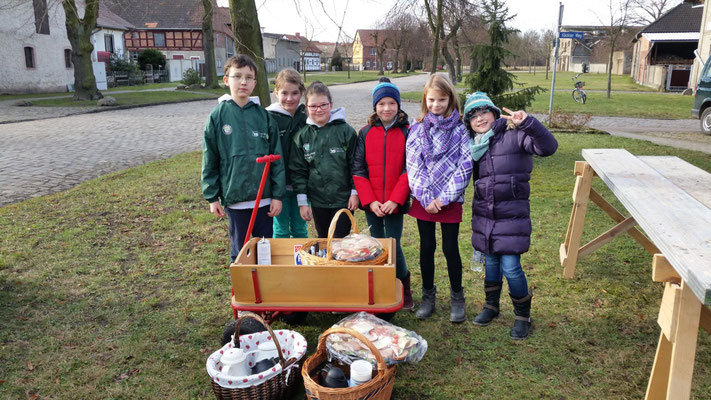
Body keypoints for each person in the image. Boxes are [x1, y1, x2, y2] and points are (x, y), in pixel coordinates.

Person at [463, 92, 558, 340]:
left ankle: (522, 316)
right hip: (485, 215)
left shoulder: (515, 134)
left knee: (511, 268)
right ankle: (491, 306)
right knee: (491, 264)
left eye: (483, 111)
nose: (479, 118)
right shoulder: (474, 145)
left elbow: (548, 147)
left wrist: (528, 122)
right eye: (473, 115)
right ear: (469, 123)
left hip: (512, 217)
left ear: (494, 112)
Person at [201, 54, 285, 263]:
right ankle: (242, 292)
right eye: (237, 76)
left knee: (264, 250)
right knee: (241, 250)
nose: (243, 81)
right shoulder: (217, 116)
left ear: (255, 83)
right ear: (226, 80)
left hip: (263, 198)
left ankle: (264, 292)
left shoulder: (263, 116)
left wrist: (277, 195)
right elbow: (209, 157)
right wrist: (212, 196)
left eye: (249, 77)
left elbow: (277, 159)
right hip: (235, 197)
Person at [406, 74, 473, 323]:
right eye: (432, 100)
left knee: (450, 248)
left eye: (442, 100)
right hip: (424, 200)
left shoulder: (459, 130)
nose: (436, 105)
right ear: (425, 99)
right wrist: (426, 197)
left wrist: (444, 199)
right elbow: (414, 165)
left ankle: (457, 297)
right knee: (427, 247)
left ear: (450, 99)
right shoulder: (417, 128)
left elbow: (464, 166)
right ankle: (428, 296)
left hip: (449, 200)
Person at [352, 78, 414, 311]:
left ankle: (404, 287)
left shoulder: (408, 132)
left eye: (391, 103)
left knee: (393, 243)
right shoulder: (365, 133)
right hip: (373, 203)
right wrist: (370, 201)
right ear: (375, 106)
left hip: (394, 203)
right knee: (375, 244)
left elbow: (410, 169)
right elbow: (358, 169)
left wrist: (395, 199)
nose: (386, 108)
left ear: (398, 106)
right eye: (381, 104)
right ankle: (379, 286)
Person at [289, 81, 359, 238]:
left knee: (340, 240)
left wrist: (354, 192)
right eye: (313, 106)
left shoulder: (346, 132)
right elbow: (298, 171)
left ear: (331, 105)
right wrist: (302, 202)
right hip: (318, 200)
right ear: (306, 107)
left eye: (323, 105)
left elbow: (355, 165)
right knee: (323, 239)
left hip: (343, 200)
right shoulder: (302, 137)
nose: (318, 110)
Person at [266, 68, 308, 239]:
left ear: (302, 93)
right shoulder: (269, 117)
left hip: (302, 185)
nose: (289, 98)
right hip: (278, 186)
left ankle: (301, 264)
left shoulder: (307, 116)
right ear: (276, 92)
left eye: (295, 93)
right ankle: (282, 265)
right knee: (281, 229)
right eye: (284, 93)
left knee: (300, 228)